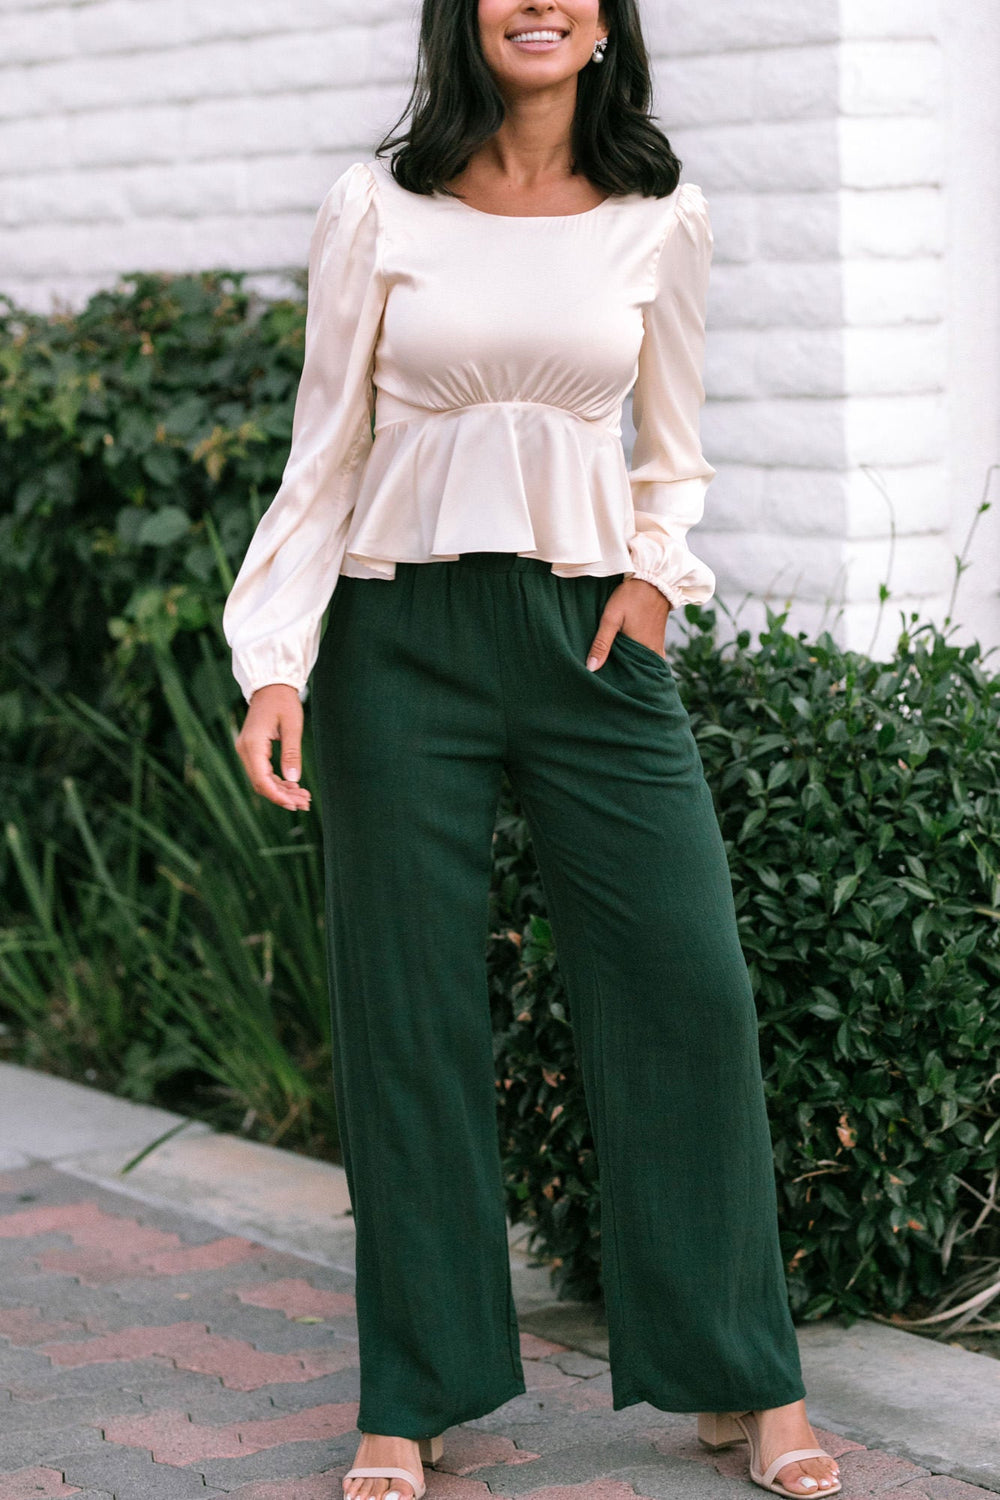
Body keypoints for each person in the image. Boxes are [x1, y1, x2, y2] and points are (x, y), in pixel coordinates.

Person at [222, 4, 844, 1500]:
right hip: (398, 640)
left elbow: (672, 447)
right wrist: (277, 660)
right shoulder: (377, 206)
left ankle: (741, 1379)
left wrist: (656, 579)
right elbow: (326, 446)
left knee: (687, 989)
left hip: (590, 639)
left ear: (609, 20)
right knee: (408, 1013)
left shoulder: (659, 213)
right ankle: (413, 1392)